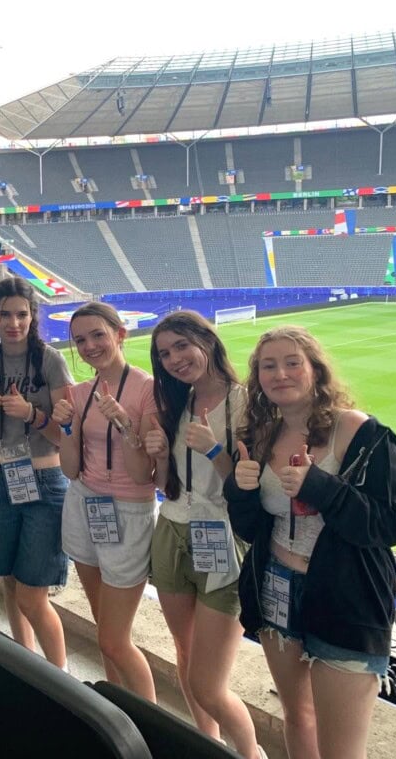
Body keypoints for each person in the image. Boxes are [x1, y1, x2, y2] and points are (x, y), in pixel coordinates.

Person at [225, 326, 396, 759]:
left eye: (292, 362)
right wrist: (241, 490)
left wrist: (320, 487)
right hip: (277, 589)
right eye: (268, 366)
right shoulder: (259, 436)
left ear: (315, 370)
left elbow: (390, 525)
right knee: (297, 716)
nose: (280, 373)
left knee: (342, 751)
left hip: (347, 599)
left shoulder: (362, 433)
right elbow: (251, 528)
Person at [145, 311, 260, 759]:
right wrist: (157, 457)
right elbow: (165, 484)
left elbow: (251, 491)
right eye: (164, 353)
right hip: (171, 528)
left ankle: (250, 754)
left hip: (225, 536)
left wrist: (214, 449)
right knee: (185, 652)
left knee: (208, 683)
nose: (174, 359)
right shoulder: (177, 403)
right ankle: (207, 744)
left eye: (181, 346)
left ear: (207, 341)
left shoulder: (247, 402)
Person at [52, 302, 156, 700]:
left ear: (120, 334)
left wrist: (126, 426)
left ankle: (152, 725)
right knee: (104, 630)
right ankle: (118, 710)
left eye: (98, 334)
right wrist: (67, 427)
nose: (90, 345)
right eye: (80, 340)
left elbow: (142, 474)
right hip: (84, 504)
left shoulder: (147, 390)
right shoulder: (78, 393)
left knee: (116, 639)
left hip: (129, 512)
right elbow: (70, 469)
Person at [0, 277, 72, 669]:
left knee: (34, 593)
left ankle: (60, 675)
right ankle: (26, 664)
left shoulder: (50, 360)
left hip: (45, 481)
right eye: (5, 315)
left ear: (33, 316)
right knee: (11, 584)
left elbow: (66, 436)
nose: (14, 323)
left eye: (21, 314)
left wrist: (31, 413)